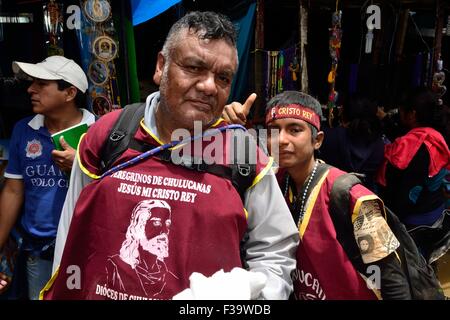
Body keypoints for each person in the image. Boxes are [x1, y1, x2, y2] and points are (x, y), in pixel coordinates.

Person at [44, 11, 298, 300]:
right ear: (161, 66)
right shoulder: (109, 135)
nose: (209, 87)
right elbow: (71, 235)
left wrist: (246, 295)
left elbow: (275, 252)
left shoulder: (242, 153)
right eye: (193, 67)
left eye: (223, 77)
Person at [225, 90, 411, 299]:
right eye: (273, 131)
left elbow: (392, 278)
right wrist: (226, 127)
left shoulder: (352, 197)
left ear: (318, 140)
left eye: (295, 130)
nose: (281, 140)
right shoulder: (272, 183)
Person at [0, 56, 95, 299]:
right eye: (32, 83)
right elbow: (13, 190)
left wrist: (81, 165)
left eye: (41, 84)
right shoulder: (24, 129)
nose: (31, 89)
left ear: (69, 93)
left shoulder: (99, 132)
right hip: (38, 252)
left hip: (86, 250)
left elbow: (115, 193)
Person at [376, 87, 450, 263]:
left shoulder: (416, 148)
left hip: (417, 222)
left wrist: (387, 223)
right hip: (437, 209)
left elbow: (408, 197)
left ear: (412, 114)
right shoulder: (438, 133)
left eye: (401, 110)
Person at [104, 199, 178, 298]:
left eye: (167, 224)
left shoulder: (171, 278)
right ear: (139, 227)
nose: (164, 231)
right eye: (156, 223)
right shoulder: (114, 267)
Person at [320, 95, 385, 192]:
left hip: (331, 192)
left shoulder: (329, 136)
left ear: (343, 114)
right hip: (364, 196)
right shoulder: (379, 144)